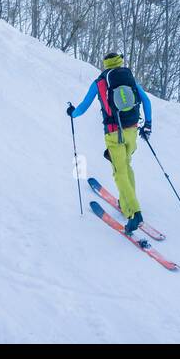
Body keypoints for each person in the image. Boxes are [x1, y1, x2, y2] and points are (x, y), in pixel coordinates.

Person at [67, 52, 152, 234]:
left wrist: (71, 113)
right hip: (131, 130)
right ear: (120, 62)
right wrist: (148, 124)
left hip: (114, 133)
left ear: (105, 64)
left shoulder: (100, 82)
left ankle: (135, 213)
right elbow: (146, 100)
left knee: (119, 172)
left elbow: (83, 107)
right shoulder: (129, 78)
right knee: (127, 166)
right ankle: (126, 202)